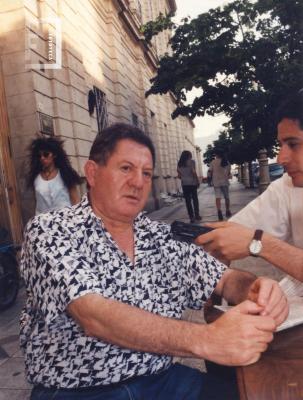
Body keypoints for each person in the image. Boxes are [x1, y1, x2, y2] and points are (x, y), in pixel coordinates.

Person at [20, 123, 288, 400]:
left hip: (161, 379)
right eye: (126, 168)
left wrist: (255, 287)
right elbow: (93, 315)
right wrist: (207, 339)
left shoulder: (161, 235)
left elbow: (226, 279)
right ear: (93, 173)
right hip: (80, 389)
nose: (138, 182)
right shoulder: (50, 230)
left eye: (146, 173)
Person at [195, 90, 303, 281]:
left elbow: (253, 238)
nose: (281, 158)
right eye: (281, 145)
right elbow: (223, 240)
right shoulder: (286, 186)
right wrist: (219, 291)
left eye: (293, 144)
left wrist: (260, 243)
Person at [28, 137, 82, 214]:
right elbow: (37, 203)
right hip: (44, 222)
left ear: (54, 155)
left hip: (65, 220)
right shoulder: (36, 178)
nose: (42, 158)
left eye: (46, 154)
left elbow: (75, 200)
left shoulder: (65, 174)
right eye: (39, 156)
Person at [177, 150, 201, 223]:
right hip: (192, 183)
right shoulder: (192, 162)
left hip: (185, 184)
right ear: (189, 155)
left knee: (188, 201)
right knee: (195, 199)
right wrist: (197, 180)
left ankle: (191, 217)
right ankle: (197, 215)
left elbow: (179, 174)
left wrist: (184, 177)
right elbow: (193, 172)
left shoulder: (179, 163)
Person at [208, 149, 232, 221]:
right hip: (224, 182)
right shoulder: (227, 162)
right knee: (226, 197)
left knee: (217, 197)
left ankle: (219, 211)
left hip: (216, 182)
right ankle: (227, 210)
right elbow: (228, 173)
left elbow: (210, 171)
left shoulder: (213, 162)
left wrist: (210, 179)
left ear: (217, 155)